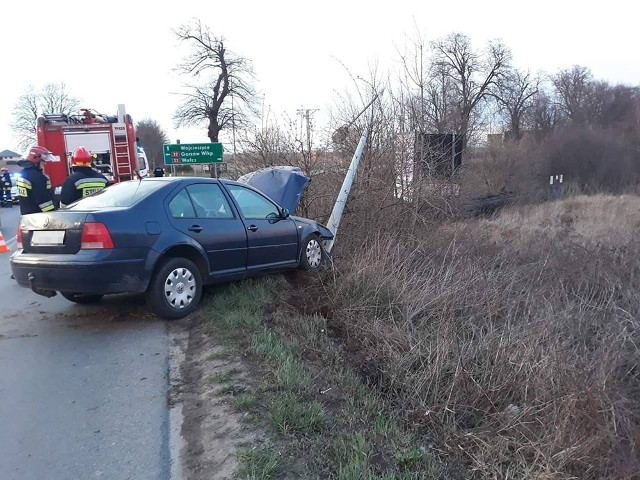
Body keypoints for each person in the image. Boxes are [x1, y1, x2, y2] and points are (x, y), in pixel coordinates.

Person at [16, 145, 56, 215]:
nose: (45, 163)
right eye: (43, 161)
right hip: (39, 217)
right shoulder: (38, 177)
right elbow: (44, 200)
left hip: (26, 216)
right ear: (36, 160)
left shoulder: (23, 173)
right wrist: (53, 214)